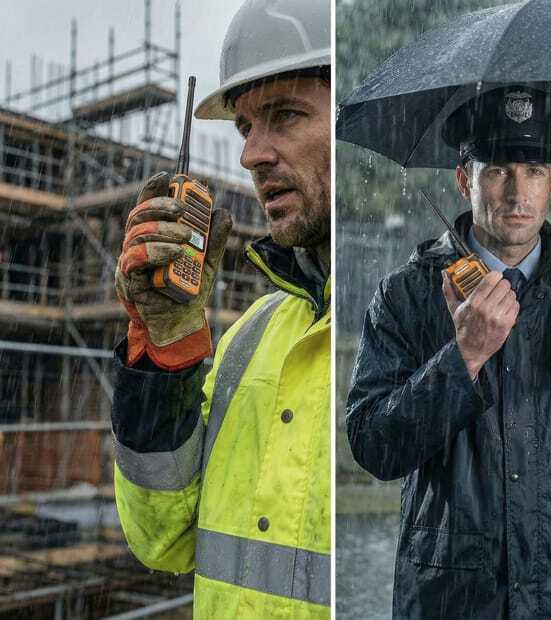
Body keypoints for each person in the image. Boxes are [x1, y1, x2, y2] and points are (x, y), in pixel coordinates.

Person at [346, 86, 551, 618]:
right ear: (463, 179)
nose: (518, 193)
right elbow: (374, 448)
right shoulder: (404, 296)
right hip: (452, 596)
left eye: (535, 170)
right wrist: (462, 357)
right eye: (497, 170)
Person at [109, 0, 331, 617]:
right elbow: (162, 538)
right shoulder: (248, 339)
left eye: (284, 116)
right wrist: (168, 347)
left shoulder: (424, 327)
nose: (251, 156)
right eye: (244, 128)